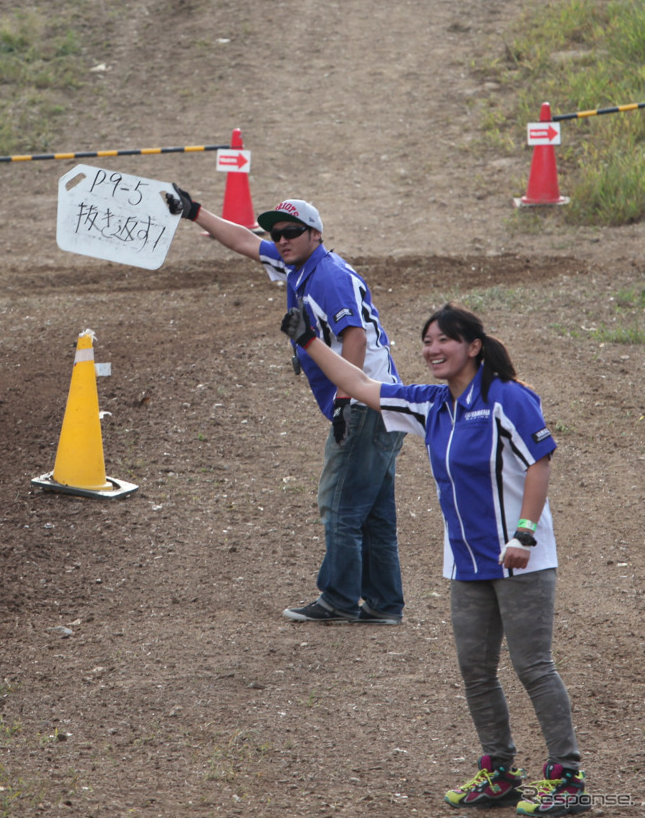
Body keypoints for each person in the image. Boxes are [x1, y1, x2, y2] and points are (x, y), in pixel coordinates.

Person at [281, 302, 587, 816]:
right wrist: (311, 342)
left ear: (472, 346)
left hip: (521, 560)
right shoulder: (432, 404)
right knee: (475, 670)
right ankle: (500, 772)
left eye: (442, 340)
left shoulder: (506, 398)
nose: (431, 350)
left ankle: (567, 777)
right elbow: (361, 386)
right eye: (425, 342)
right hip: (466, 563)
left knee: (532, 666)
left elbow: (539, 462)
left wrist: (526, 534)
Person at [166, 187, 406, 624]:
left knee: (339, 504)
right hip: (383, 403)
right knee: (372, 510)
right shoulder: (301, 266)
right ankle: (385, 604)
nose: (281, 240)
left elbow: (354, 336)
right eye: (276, 233)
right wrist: (195, 212)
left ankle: (337, 600)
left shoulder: (328, 277)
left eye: (292, 232)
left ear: (315, 234)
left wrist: (344, 400)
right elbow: (242, 240)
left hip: (366, 404)